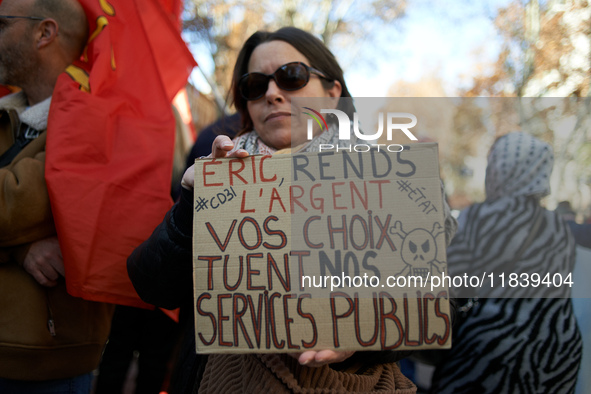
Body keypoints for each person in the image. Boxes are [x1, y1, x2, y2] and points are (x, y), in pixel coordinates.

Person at [128, 27, 456, 393]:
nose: (272, 93)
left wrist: (368, 334)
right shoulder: (218, 176)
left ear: (333, 92)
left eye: (292, 77)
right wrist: (193, 203)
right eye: (254, 85)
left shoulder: (394, 180)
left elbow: (448, 309)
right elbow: (152, 285)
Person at [0, 0, 113, 392]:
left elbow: (13, 207)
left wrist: (18, 229)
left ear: (43, 33)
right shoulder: (4, 114)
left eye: (2, 23)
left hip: (44, 368)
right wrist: (21, 249)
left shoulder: (94, 122)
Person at [429, 132, 582, 393]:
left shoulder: (477, 217)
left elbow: (449, 286)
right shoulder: (559, 224)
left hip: (491, 352)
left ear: (501, 169)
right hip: (558, 352)